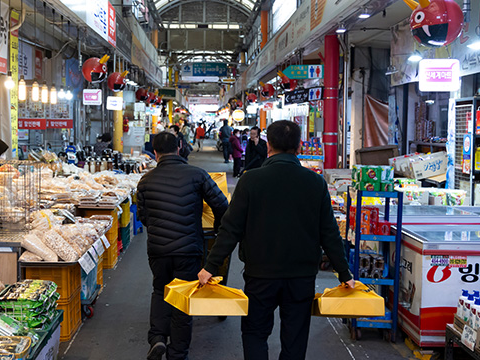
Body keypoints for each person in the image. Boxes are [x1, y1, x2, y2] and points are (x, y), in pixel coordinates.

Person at [198, 120, 354, 360]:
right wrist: (344, 273)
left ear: (268, 145)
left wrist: (211, 266)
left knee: (255, 333)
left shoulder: (251, 180)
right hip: (301, 277)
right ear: (299, 147)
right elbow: (329, 233)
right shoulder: (315, 183)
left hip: (260, 276)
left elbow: (231, 229)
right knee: (295, 338)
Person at [137, 132, 229, 360]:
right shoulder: (197, 174)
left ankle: (157, 339)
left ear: (155, 153)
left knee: (160, 291)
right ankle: (177, 353)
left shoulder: (145, 180)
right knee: (183, 298)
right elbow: (222, 204)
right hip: (189, 248)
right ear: (179, 148)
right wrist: (216, 227)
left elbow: (143, 217)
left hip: (158, 249)